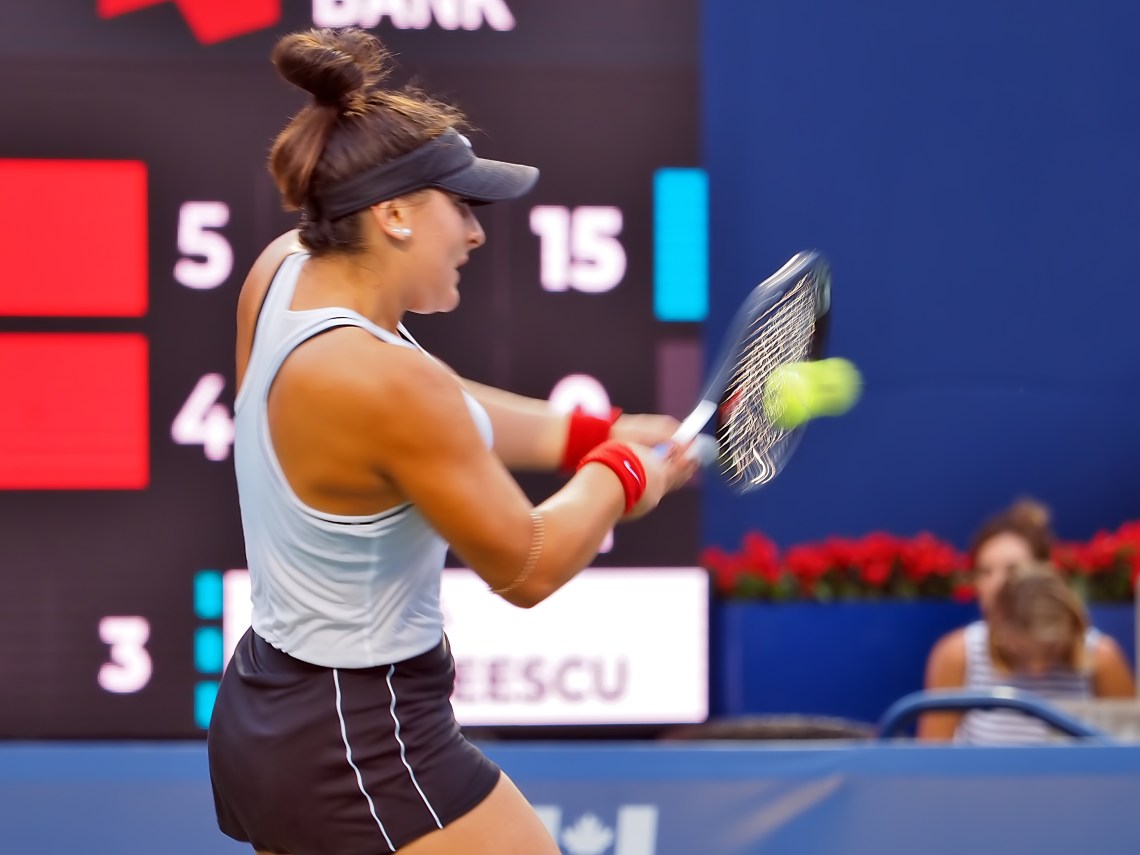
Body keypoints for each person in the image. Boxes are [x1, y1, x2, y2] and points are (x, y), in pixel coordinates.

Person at [206, 27, 698, 855]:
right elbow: (529, 564)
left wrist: (587, 431)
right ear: (394, 213)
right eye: (459, 207)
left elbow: (433, 407)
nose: (474, 233)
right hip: (356, 738)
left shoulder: (286, 270)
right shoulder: (389, 386)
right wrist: (621, 472)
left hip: (271, 702)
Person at [919, 501, 1134, 743]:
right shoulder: (957, 654)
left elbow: (1127, 756)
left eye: (1012, 570)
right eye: (985, 572)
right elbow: (931, 758)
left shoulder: (1102, 657)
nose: (998, 585)